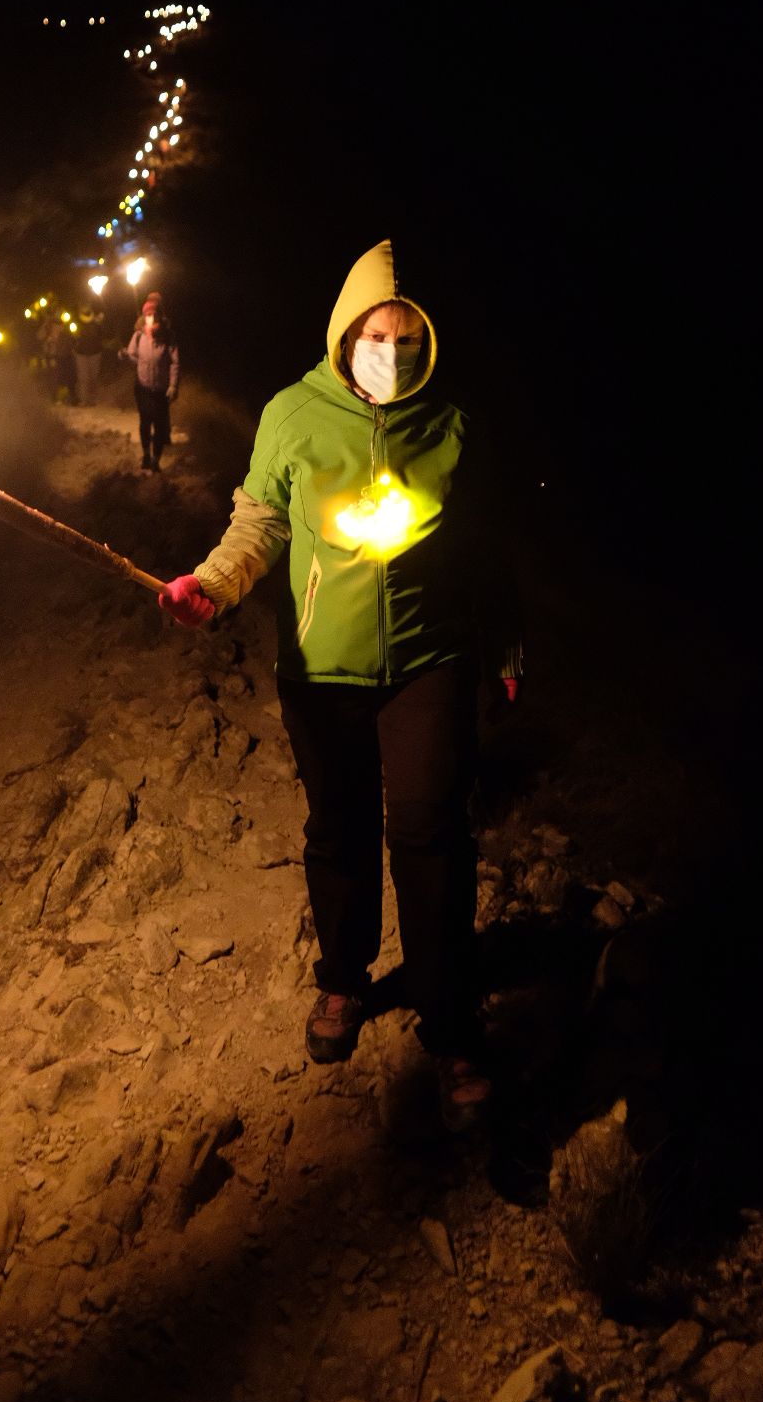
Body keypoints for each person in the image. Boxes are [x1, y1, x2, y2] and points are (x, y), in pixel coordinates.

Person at [157, 240, 522, 1132]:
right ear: (344, 336)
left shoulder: (452, 425)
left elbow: (486, 550)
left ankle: (448, 1018)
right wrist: (214, 584)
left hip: (430, 662)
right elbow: (261, 520)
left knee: (434, 835)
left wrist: (506, 652)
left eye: (404, 338)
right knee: (342, 828)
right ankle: (345, 981)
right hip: (321, 669)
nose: (389, 352)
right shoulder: (292, 414)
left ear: (422, 341)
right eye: (374, 335)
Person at [120, 290, 179, 471]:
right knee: (145, 422)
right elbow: (133, 356)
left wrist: (173, 385)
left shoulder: (167, 337)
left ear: (159, 316)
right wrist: (124, 355)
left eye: (153, 315)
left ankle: (156, 460)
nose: (150, 318)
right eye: (147, 315)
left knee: (160, 426)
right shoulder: (138, 336)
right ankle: (146, 454)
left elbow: (174, 363)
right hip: (143, 388)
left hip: (160, 390)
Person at [74, 303, 106, 405]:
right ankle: (84, 400)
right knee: (83, 378)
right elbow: (74, 338)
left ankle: (92, 399)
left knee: (93, 377)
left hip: (95, 353)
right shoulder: (77, 324)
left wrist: (100, 324)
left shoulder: (97, 324)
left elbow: (103, 336)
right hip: (81, 354)